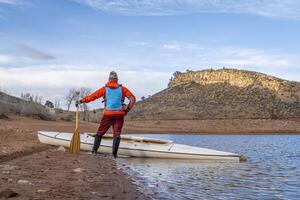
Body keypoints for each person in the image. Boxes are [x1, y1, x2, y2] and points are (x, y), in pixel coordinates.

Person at [76, 71, 136, 158]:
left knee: (100, 133)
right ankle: (114, 155)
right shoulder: (122, 89)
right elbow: (133, 99)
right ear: (117, 80)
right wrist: (126, 111)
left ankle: (94, 151)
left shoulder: (104, 89)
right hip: (119, 115)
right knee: (117, 134)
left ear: (109, 79)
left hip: (108, 115)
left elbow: (92, 97)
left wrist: (81, 101)